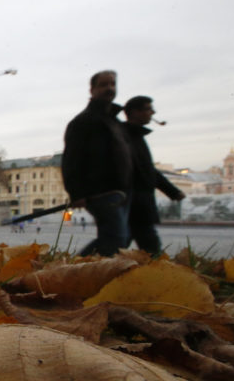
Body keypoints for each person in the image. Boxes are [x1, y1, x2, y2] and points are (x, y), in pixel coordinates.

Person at [62, 70, 133, 257]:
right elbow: (71, 159)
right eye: (103, 84)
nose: (109, 88)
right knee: (116, 238)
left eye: (112, 84)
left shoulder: (114, 121)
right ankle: (74, 269)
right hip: (101, 191)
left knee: (121, 238)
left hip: (120, 191)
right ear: (92, 89)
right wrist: (76, 192)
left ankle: (77, 268)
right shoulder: (83, 122)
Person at [121, 95, 185, 255]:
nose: (153, 112)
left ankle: (83, 267)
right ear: (135, 112)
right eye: (149, 109)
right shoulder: (127, 136)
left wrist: (172, 191)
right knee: (146, 242)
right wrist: (172, 191)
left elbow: (148, 170)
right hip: (134, 200)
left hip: (134, 200)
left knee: (120, 241)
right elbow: (145, 170)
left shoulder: (133, 135)